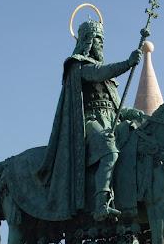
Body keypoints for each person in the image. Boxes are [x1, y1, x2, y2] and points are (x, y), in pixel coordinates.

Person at [37, 19, 142, 221]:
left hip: (111, 121)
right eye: (98, 40)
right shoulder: (80, 65)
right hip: (90, 122)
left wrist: (135, 114)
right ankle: (102, 204)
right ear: (88, 40)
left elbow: (117, 106)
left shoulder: (109, 81)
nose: (101, 44)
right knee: (109, 151)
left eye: (103, 40)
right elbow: (99, 72)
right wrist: (127, 64)